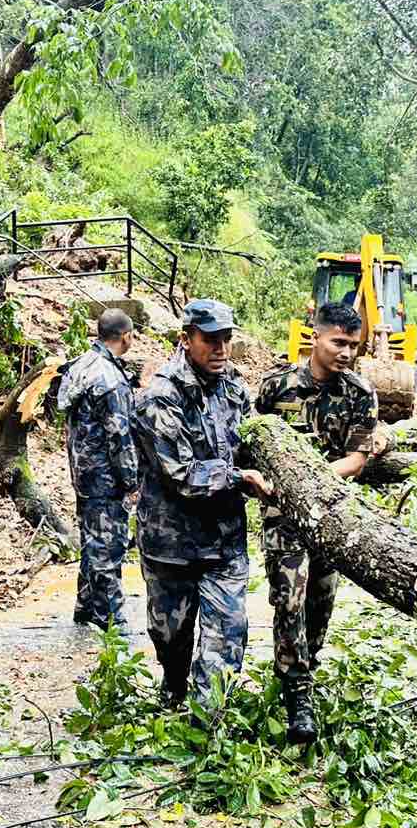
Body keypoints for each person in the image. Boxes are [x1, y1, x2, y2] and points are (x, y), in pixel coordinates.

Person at [132, 299, 273, 707]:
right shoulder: (160, 397)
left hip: (223, 544)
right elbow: (180, 475)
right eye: (210, 340)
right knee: (170, 638)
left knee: (225, 641)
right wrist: (238, 478)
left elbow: (253, 443)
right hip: (171, 547)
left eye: (226, 339)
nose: (221, 349)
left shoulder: (235, 389)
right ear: (186, 340)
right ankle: (174, 684)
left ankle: (206, 725)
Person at [254, 303, 379, 743]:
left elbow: (359, 458)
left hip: (330, 514)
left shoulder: (360, 393)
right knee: (289, 597)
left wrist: (312, 480)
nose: (346, 353)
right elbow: (252, 441)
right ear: (316, 337)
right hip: (281, 514)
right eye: (338, 343)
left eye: (352, 345)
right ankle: (297, 691)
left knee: (319, 601)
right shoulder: (275, 386)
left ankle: (309, 660)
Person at [57, 308, 140, 632]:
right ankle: (114, 619)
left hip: (83, 472)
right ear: (126, 337)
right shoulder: (110, 379)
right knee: (109, 545)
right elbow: (120, 436)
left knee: (93, 540)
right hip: (105, 477)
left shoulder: (79, 366)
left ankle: (86, 607)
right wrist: (131, 480)